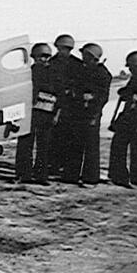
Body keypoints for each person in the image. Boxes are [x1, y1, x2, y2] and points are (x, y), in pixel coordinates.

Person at [66, 43, 112, 186]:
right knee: (75, 144)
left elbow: (102, 97)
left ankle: (91, 177)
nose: (83, 57)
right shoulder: (82, 70)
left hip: (92, 113)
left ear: (93, 57)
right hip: (78, 112)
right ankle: (72, 175)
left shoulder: (102, 74)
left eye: (86, 55)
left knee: (91, 147)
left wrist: (94, 110)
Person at [108, 51, 137, 188]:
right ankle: (119, 176)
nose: (130, 70)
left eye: (131, 68)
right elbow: (128, 91)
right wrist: (125, 93)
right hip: (128, 117)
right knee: (119, 144)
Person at [15, 42, 57, 184]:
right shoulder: (28, 72)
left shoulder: (53, 74)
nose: (43, 59)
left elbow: (60, 93)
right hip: (29, 112)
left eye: (46, 57)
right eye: (41, 56)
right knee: (25, 144)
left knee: (44, 146)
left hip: (46, 113)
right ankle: (23, 173)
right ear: (34, 57)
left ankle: (41, 175)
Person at [48, 34, 83, 180]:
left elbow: (81, 84)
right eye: (62, 48)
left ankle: (66, 167)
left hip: (71, 106)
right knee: (54, 136)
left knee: (69, 137)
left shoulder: (77, 64)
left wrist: (72, 92)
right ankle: (54, 165)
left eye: (67, 49)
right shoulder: (52, 62)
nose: (64, 51)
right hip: (54, 103)